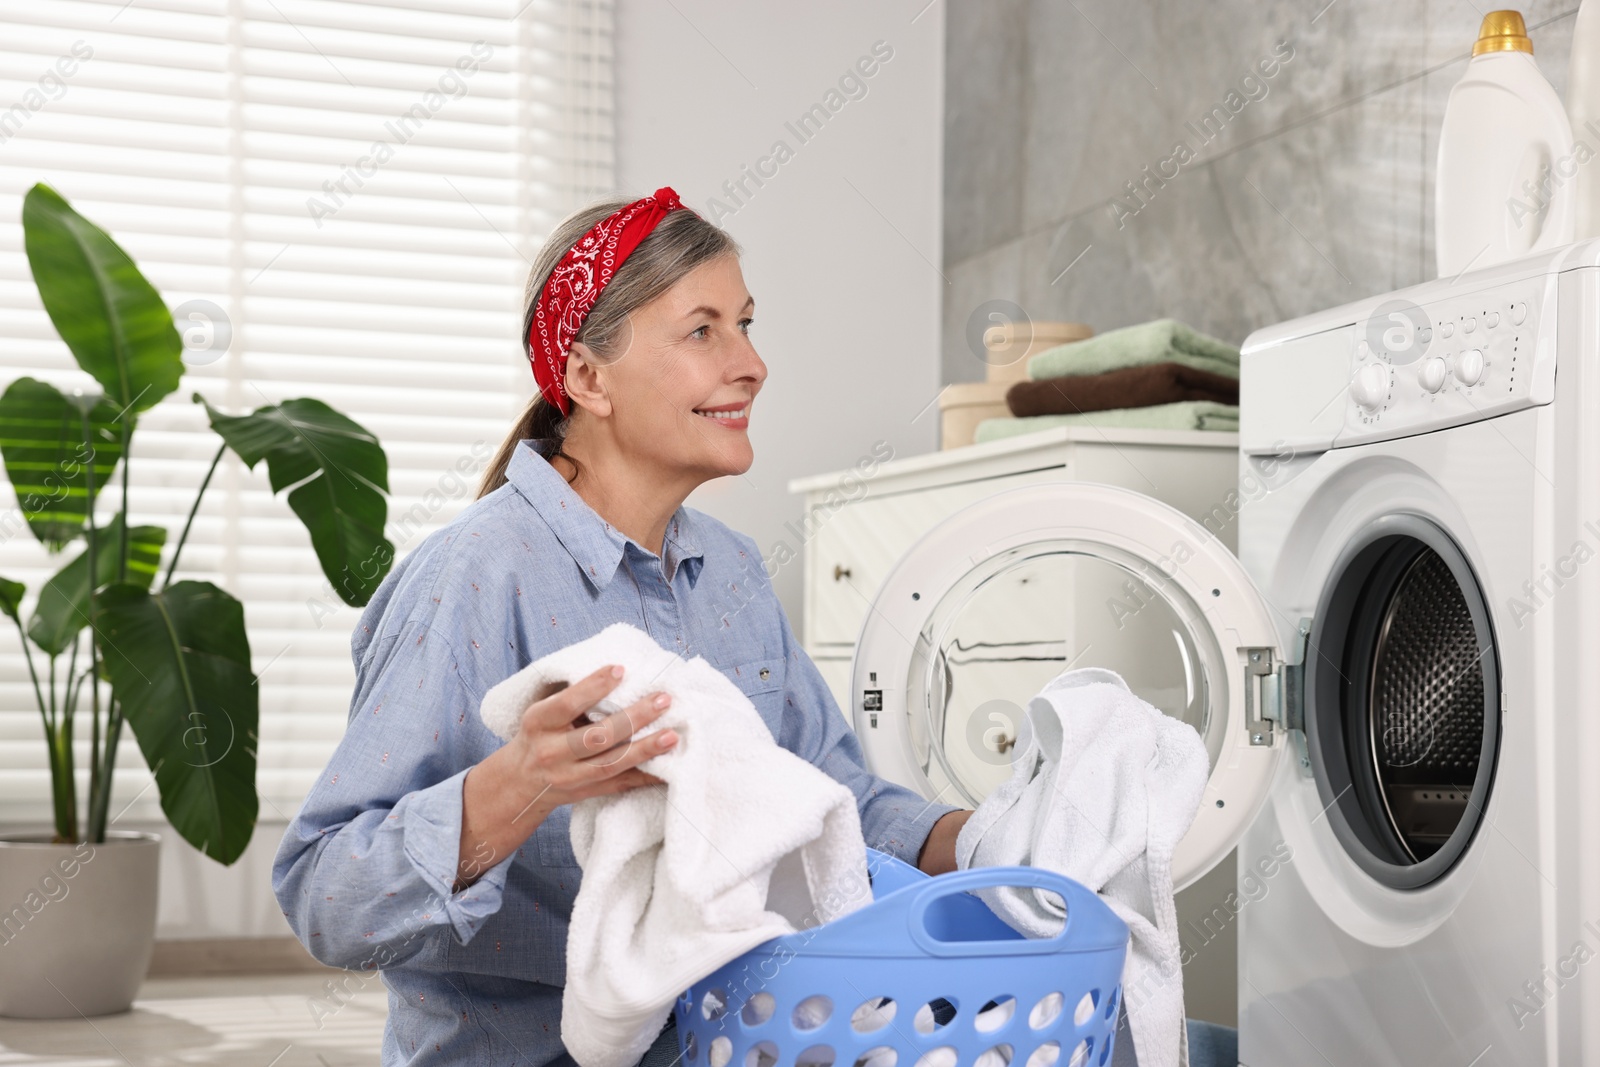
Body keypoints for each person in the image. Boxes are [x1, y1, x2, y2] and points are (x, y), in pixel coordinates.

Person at [271, 186, 972, 1066]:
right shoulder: (477, 576)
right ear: (589, 377)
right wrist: (517, 786)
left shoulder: (734, 572)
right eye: (703, 329)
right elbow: (325, 896)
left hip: (739, 1039)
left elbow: (831, 804)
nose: (751, 363)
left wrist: (986, 843)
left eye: (747, 325)